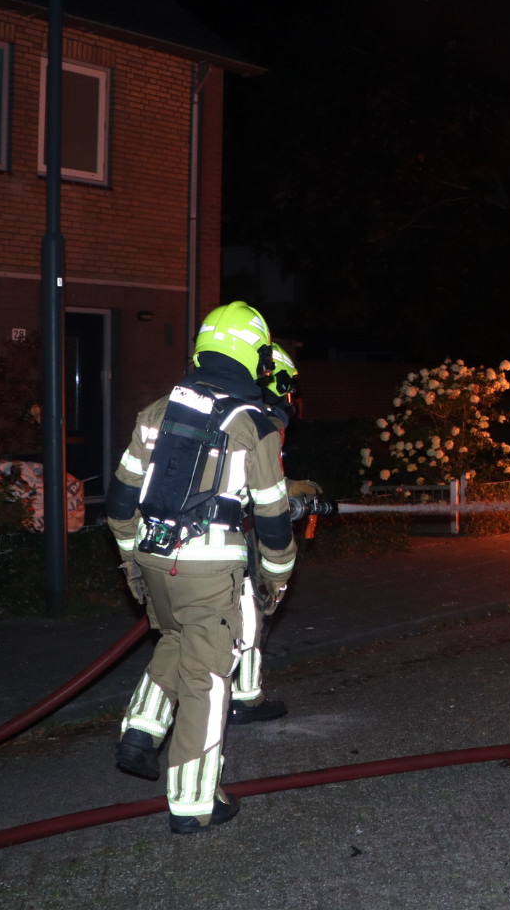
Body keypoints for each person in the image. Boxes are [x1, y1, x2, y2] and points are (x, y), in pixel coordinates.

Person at [105, 301, 297, 834]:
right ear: (254, 358)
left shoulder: (157, 412)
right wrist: (277, 577)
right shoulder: (253, 426)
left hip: (152, 556)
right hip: (209, 570)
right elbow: (274, 517)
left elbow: (119, 502)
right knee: (208, 681)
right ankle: (193, 803)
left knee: (174, 639)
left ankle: (140, 732)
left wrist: (132, 562)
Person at [229, 342, 319, 724]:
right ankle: (239, 699)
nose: (291, 399)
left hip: (232, 531)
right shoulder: (257, 421)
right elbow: (255, 486)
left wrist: (292, 488)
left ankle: (244, 694)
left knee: (248, 613)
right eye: (287, 388)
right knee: (248, 612)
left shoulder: (248, 417)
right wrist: (289, 493)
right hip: (235, 534)